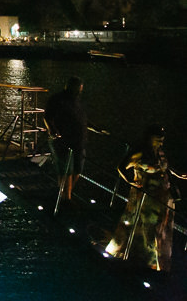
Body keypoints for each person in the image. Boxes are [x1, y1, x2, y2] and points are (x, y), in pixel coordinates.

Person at [105, 125, 185, 272]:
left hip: (161, 197)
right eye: (158, 138)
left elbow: (165, 167)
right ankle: (145, 261)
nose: (161, 141)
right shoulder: (140, 152)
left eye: (162, 138)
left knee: (159, 228)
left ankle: (155, 262)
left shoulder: (159, 152)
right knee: (147, 227)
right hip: (146, 196)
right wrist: (130, 181)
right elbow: (121, 166)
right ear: (149, 137)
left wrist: (178, 174)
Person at [43, 76, 87, 201]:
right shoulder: (57, 99)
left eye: (80, 88)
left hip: (79, 141)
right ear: (69, 86)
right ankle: (66, 198)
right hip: (63, 140)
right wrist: (53, 131)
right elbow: (47, 116)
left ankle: (65, 194)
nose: (79, 91)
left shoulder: (77, 102)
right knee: (66, 170)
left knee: (77, 169)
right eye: (78, 88)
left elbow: (81, 118)